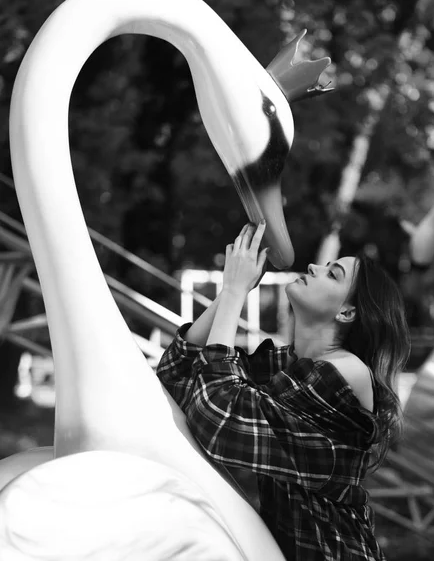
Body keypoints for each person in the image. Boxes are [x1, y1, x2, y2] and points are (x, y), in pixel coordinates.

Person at [157, 221, 410, 561]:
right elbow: (176, 374)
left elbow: (218, 419)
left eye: (332, 274)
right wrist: (229, 293)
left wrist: (234, 293)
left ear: (347, 312)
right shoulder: (290, 362)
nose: (313, 266)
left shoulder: (346, 374)